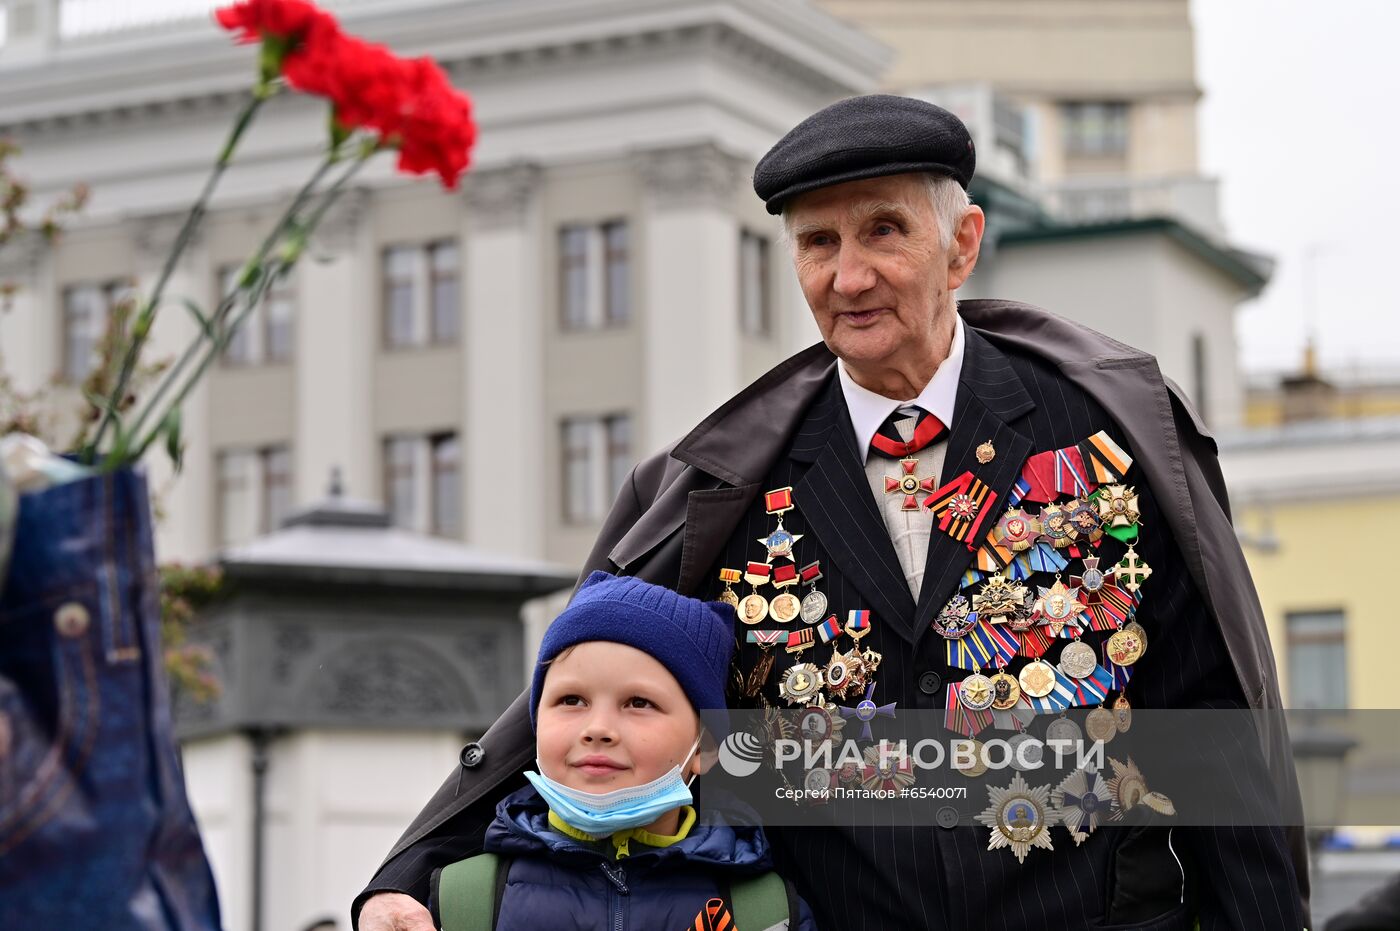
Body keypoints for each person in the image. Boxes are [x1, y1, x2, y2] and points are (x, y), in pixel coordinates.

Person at [356, 94, 1310, 930]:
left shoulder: (1104, 431)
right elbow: (578, 677)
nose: (848, 277)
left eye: (884, 232)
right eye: (819, 243)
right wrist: (409, 870)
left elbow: (1219, 724)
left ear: (963, 243)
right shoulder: (729, 478)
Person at [428, 571, 817, 930]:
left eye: (639, 703)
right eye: (572, 699)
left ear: (706, 746)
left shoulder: (766, 913)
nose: (598, 729)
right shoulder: (463, 902)